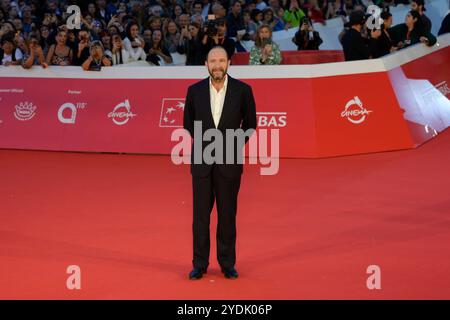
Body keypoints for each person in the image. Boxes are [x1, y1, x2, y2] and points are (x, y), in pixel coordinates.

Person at [183, 46, 257, 280]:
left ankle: (227, 263)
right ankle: (199, 263)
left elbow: (251, 124)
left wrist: (234, 145)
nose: (217, 65)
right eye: (213, 61)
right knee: (200, 218)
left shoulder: (243, 90)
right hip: (202, 162)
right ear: (206, 64)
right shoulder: (194, 91)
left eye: (221, 60)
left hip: (230, 162)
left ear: (229, 63)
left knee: (227, 216)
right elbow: (187, 123)